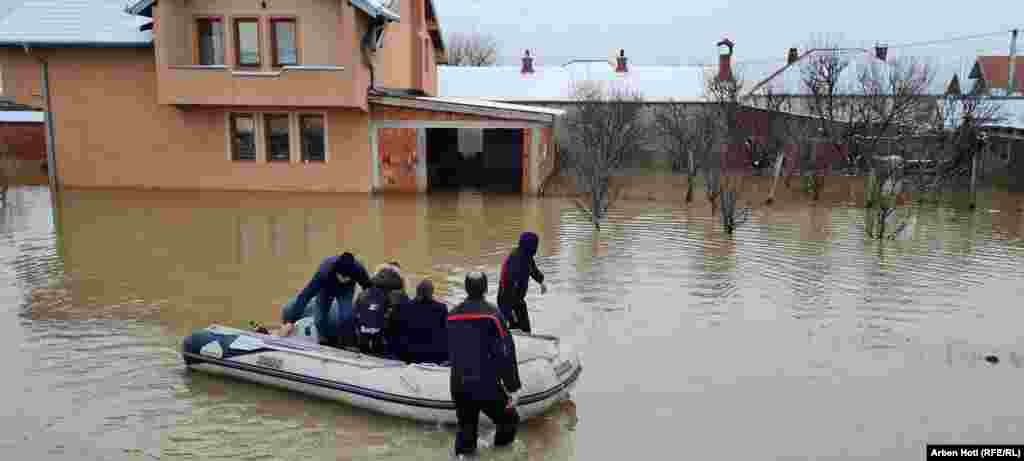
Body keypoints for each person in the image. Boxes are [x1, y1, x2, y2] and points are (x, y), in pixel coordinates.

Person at [447, 271, 522, 456]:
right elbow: (505, 353)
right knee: (509, 419)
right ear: (486, 288)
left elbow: (448, 348)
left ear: (466, 288)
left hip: (458, 384)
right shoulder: (493, 316)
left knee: (466, 428)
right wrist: (513, 386)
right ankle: (500, 455)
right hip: (484, 383)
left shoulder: (452, 315)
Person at [280, 252, 372, 347]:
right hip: (326, 289)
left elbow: (368, 288)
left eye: (348, 277)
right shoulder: (325, 271)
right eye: (343, 276)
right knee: (319, 318)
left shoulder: (358, 270)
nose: (345, 279)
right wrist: (290, 321)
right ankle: (323, 341)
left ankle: (347, 343)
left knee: (346, 316)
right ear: (337, 272)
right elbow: (305, 296)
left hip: (346, 290)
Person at [389, 279, 449, 364]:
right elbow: (446, 332)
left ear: (417, 292)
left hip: (407, 354)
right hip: (433, 355)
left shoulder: (404, 307)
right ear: (432, 293)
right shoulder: (441, 308)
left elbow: (394, 330)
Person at [497, 232, 547, 333]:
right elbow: (507, 285)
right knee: (512, 330)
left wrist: (541, 282)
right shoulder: (515, 260)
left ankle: (524, 334)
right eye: (535, 245)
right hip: (507, 300)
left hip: (518, 300)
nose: (536, 248)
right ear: (531, 246)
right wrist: (508, 312)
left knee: (525, 329)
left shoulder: (526, 256)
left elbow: (533, 269)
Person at [353, 263, 406, 355]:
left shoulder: (367, 289)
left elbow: (357, 308)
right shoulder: (398, 289)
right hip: (381, 331)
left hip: (362, 328)